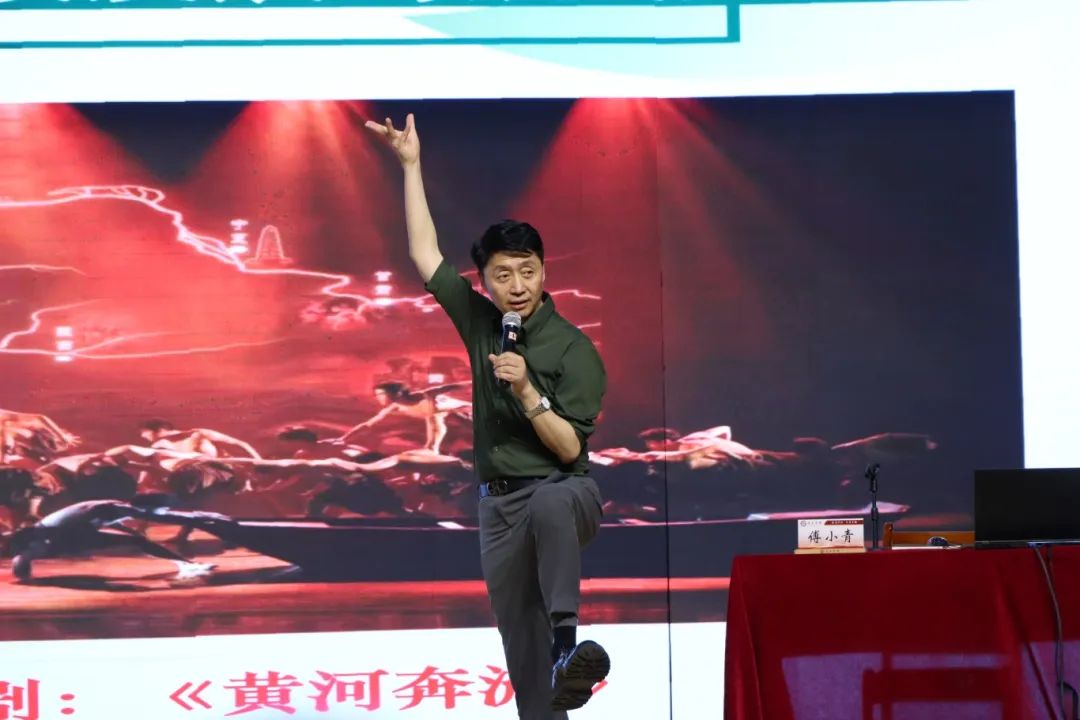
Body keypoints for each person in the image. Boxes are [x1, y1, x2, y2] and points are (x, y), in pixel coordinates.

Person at [366, 113, 610, 717]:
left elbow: (569, 451)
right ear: (486, 281)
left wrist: (527, 390)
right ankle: (551, 673)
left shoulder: (574, 350)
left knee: (550, 502)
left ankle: (566, 644)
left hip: (565, 493)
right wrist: (410, 166)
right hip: (497, 507)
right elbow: (425, 255)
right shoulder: (482, 324)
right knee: (521, 654)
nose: (517, 285)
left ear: (544, 272)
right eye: (503, 275)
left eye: (528, 271)